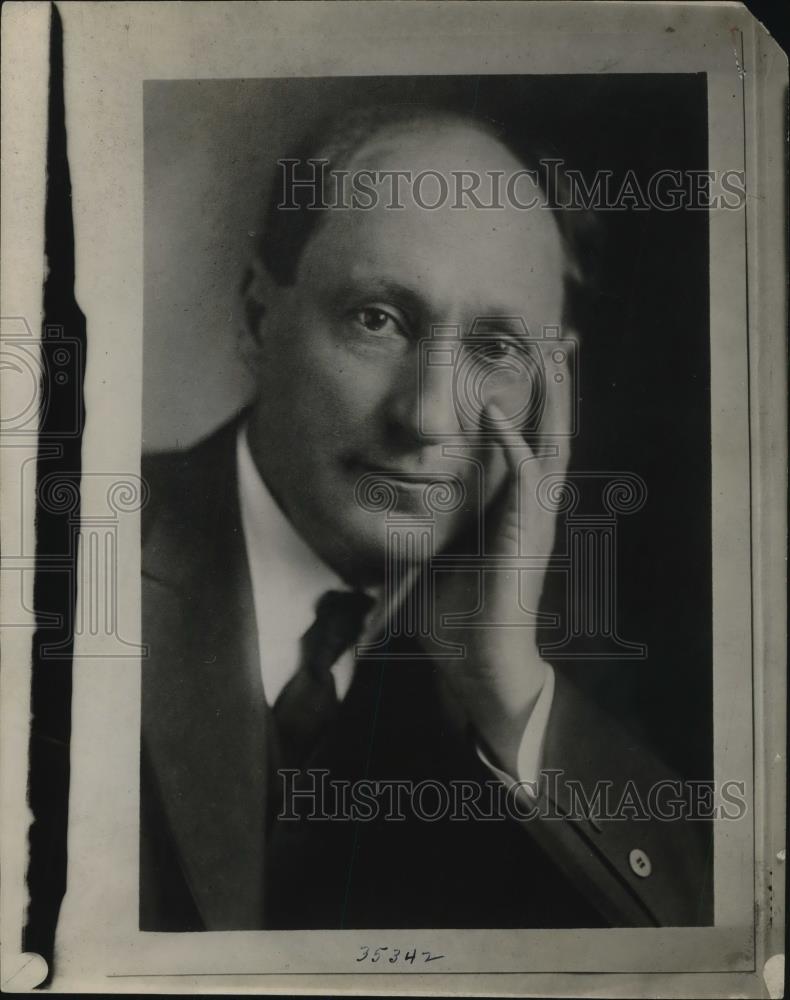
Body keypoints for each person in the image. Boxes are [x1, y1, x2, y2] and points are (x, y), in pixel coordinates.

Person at [140, 104, 712, 931]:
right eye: (378, 320)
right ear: (260, 317)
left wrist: (504, 686)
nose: (430, 417)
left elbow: (732, 952)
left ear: (558, 387)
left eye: (496, 348)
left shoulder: (575, 678)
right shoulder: (71, 557)